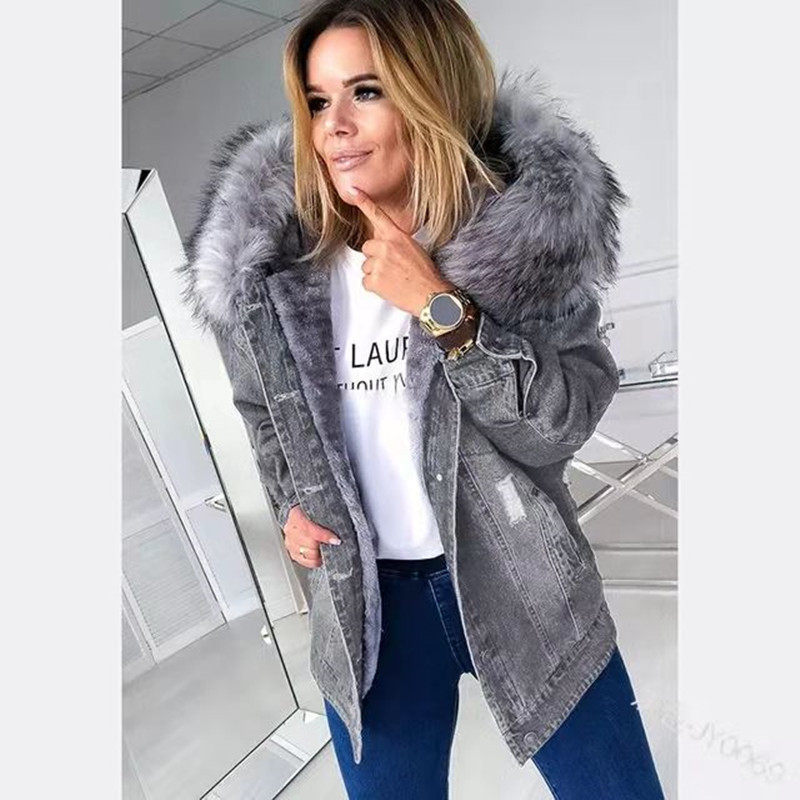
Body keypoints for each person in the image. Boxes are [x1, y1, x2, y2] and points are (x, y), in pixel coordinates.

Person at [179, 1, 667, 797]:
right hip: (368, 613)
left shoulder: (521, 246)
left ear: (432, 93)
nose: (335, 126)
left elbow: (559, 426)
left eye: (366, 91)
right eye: (317, 101)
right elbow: (263, 413)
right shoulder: (273, 275)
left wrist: (444, 310)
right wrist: (293, 502)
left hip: (523, 585)